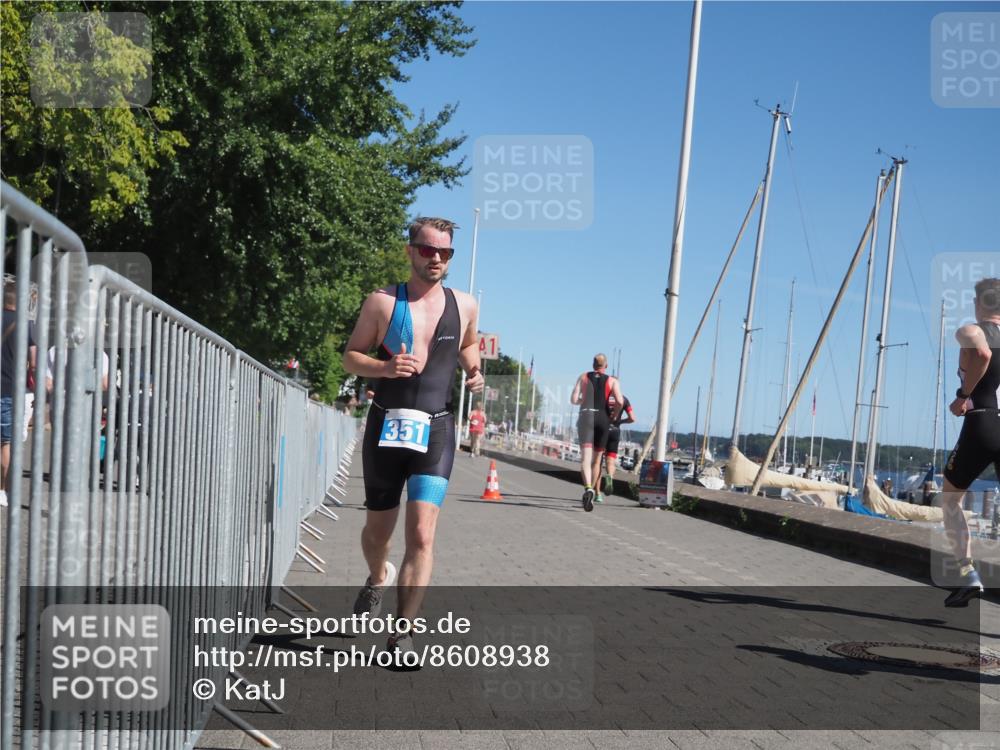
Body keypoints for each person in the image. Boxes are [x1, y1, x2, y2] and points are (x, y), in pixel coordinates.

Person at [342, 217, 483, 657]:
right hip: (387, 426)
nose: (436, 258)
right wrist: (383, 368)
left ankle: (402, 632)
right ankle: (376, 576)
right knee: (377, 533)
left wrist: (474, 372)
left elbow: (467, 344)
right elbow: (350, 357)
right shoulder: (382, 303)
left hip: (436, 430)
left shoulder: (466, 304)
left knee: (421, 534)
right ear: (410, 251)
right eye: (427, 250)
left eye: (445, 252)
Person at [939, 278, 1000, 606]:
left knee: (950, 501)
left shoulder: (971, 329)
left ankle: (968, 575)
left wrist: (963, 395)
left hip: (984, 423)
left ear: (980, 304)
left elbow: (980, 349)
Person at [570, 353, 622, 512]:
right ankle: (593, 487)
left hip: (586, 415)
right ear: (605, 366)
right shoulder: (612, 381)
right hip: (603, 419)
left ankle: (588, 489)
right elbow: (619, 401)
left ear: (593, 365)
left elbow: (573, 399)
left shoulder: (583, 377)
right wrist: (614, 414)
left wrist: (582, 401)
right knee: (597, 460)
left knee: (585, 459)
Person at [1, 281, 37, 507]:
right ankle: (2, 490)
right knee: (5, 443)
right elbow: (34, 362)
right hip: (9, 390)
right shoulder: (25, 326)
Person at [602, 394, 635, 498]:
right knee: (610, 461)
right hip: (615, 431)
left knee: (597, 461)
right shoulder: (624, 399)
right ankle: (610, 477)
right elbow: (632, 418)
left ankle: (596, 491)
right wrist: (620, 421)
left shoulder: (603, 396)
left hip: (602, 430)